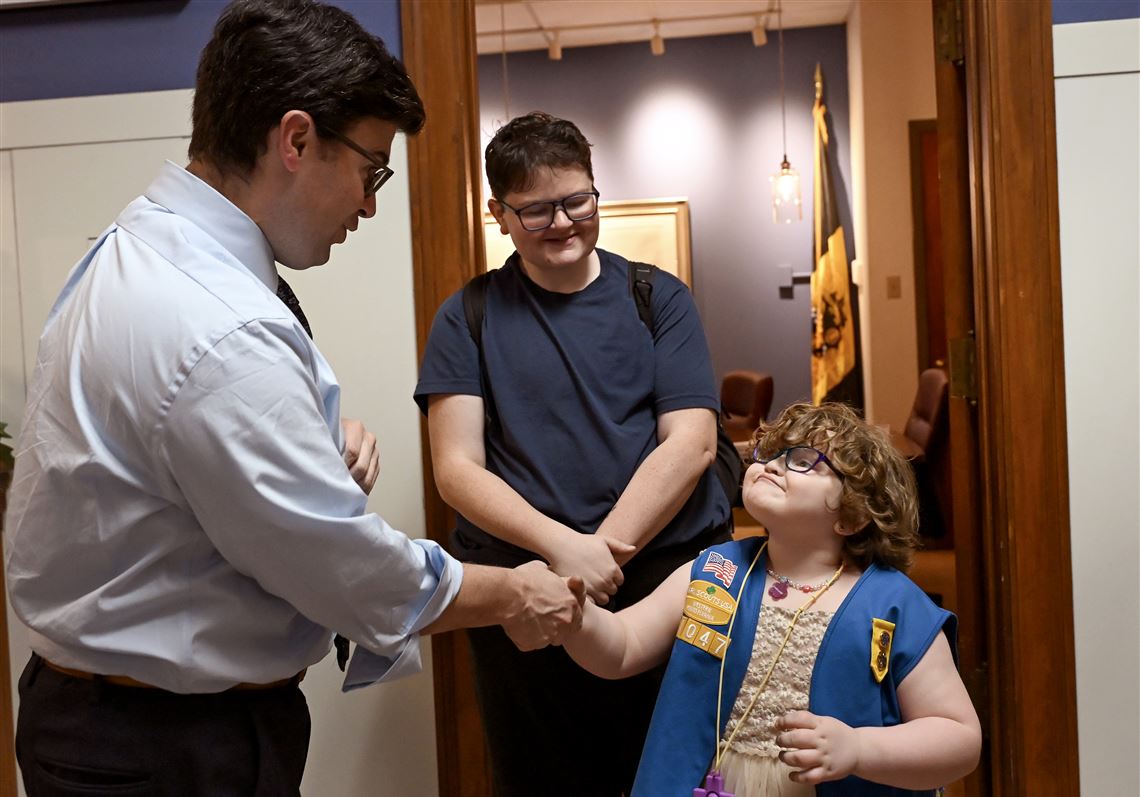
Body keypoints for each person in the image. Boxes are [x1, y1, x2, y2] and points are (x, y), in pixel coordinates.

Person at [3, 2, 582, 794]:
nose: (370, 204)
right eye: (371, 169)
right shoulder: (219, 327)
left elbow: (176, 435)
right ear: (297, 139)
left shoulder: (143, 247)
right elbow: (346, 566)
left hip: (115, 719)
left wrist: (305, 437)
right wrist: (515, 590)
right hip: (162, 746)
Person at [414, 111, 733, 796]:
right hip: (529, 592)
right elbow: (457, 469)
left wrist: (604, 550)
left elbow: (692, 442)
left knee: (678, 774)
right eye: (535, 210)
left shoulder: (658, 298)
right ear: (497, 213)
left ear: (596, 191)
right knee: (542, 776)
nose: (562, 223)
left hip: (661, 583)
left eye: (577, 200)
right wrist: (566, 549)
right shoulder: (467, 315)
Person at [564, 402, 982, 796]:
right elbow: (621, 648)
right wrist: (576, 614)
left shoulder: (892, 606)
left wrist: (858, 748)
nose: (772, 465)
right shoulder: (715, 572)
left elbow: (959, 738)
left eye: (803, 461)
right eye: (770, 453)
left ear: (852, 516)